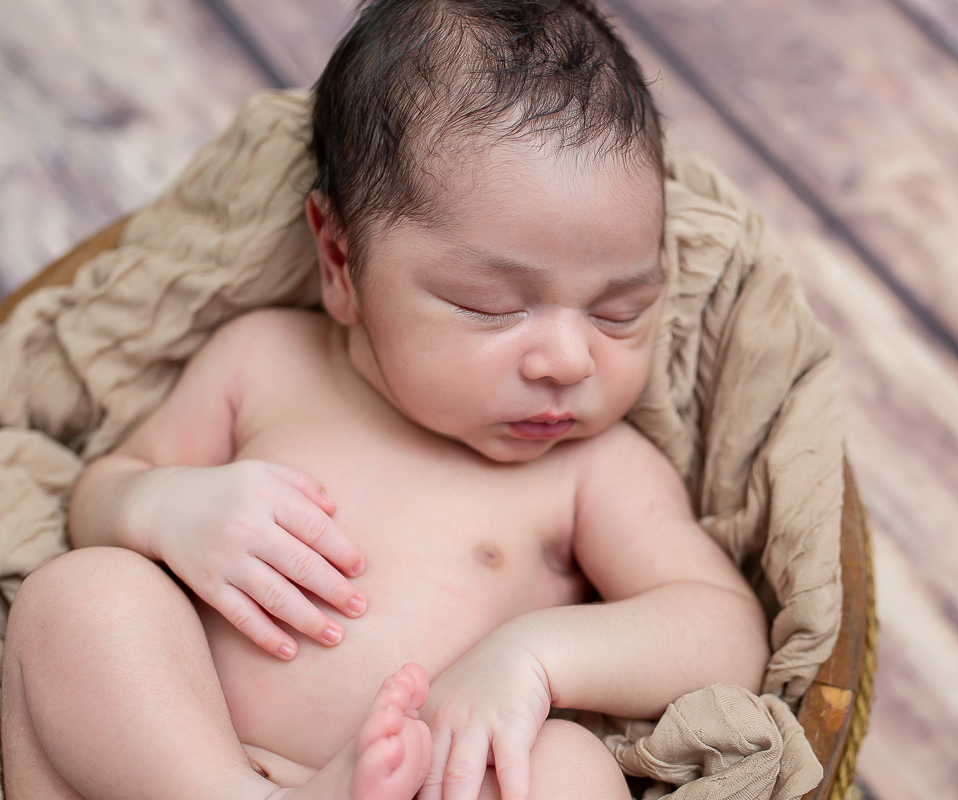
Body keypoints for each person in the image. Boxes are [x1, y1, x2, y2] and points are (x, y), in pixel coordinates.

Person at [0, 2, 770, 799]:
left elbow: (724, 630)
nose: (570, 360)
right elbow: (101, 491)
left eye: (620, 312)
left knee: (566, 768)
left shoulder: (592, 466)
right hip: (181, 768)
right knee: (80, 596)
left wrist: (534, 657)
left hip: (432, 784)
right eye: (493, 306)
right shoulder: (264, 361)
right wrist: (164, 504)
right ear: (340, 262)